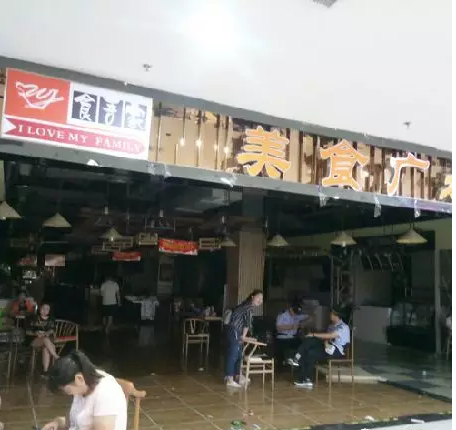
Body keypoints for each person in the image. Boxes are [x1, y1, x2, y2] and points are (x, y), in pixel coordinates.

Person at [42, 350, 127, 430]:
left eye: (67, 390)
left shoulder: (106, 393)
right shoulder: (83, 384)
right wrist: (57, 422)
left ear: (79, 379)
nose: (67, 394)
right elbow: (75, 422)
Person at [287, 307, 350, 388]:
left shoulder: (343, 327)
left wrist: (314, 334)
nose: (330, 315)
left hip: (336, 351)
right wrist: (316, 336)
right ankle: (305, 376)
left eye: (331, 314)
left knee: (311, 346)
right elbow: (326, 338)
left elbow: (331, 335)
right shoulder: (331, 326)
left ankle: (298, 362)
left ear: (336, 316)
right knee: (309, 347)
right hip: (327, 347)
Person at [224, 289, 263, 388]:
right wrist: (244, 337)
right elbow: (247, 324)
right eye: (258, 298)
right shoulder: (248, 307)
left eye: (261, 299)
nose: (260, 300)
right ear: (252, 297)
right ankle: (229, 379)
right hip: (234, 329)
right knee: (234, 354)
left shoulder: (245, 305)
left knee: (239, 354)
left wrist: (243, 337)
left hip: (235, 330)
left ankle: (238, 376)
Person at [27, 303, 59, 375]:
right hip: (35, 340)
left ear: (49, 311)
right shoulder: (34, 318)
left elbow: (52, 330)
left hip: (47, 341)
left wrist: (46, 333)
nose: (45, 310)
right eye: (43, 308)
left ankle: (45, 371)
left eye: (47, 309)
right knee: (45, 340)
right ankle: (56, 356)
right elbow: (28, 331)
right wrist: (36, 333)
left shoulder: (51, 318)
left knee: (46, 347)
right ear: (39, 309)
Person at [275, 303, 307, 368]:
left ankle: (297, 362)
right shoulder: (282, 315)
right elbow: (278, 327)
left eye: (296, 313)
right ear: (290, 309)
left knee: (304, 345)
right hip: (282, 338)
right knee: (279, 348)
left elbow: (311, 316)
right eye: (294, 312)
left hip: (293, 338)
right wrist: (292, 326)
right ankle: (281, 365)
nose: (295, 314)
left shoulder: (297, 315)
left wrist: (304, 323)